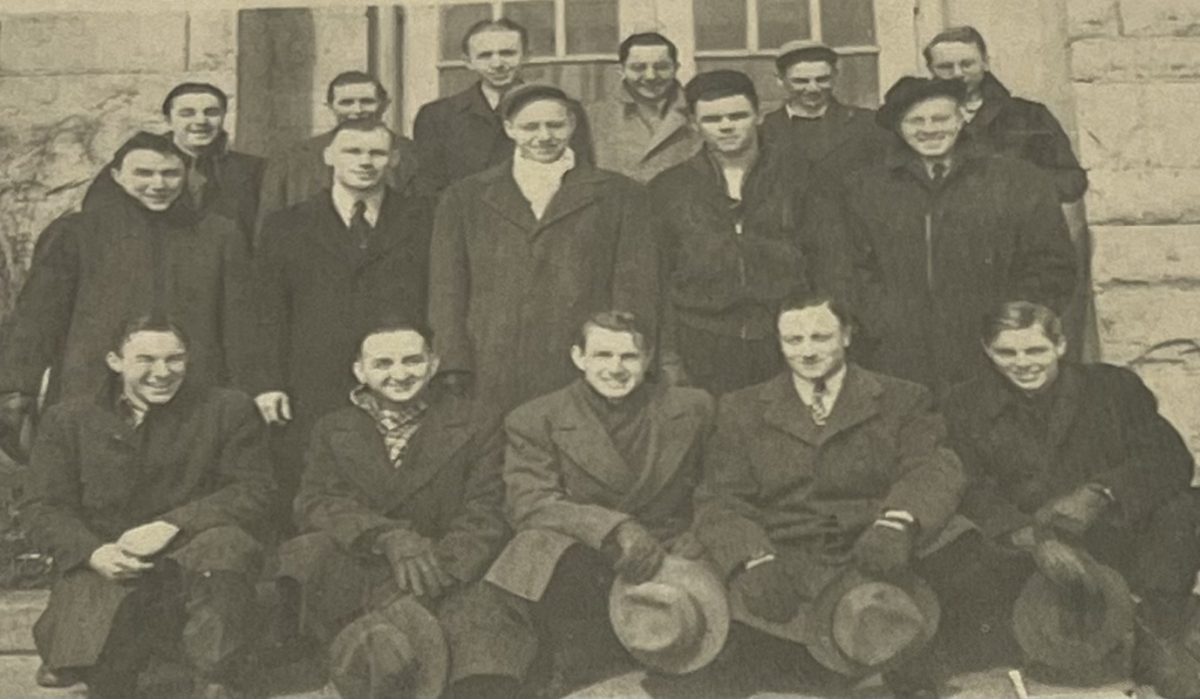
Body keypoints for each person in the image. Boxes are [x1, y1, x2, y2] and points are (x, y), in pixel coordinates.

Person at [691, 292, 966, 698]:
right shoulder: (741, 408)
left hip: (873, 545)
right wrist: (752, 558)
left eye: (820, 337)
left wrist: (899, 521)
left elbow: (934, 467)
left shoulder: (902, 397)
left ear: (847, 336)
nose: (806, 352)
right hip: (787, 550)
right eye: (793, 340)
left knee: (956, 543)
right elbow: (719, 498)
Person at [939, 301, 1200, 690]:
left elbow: (1168, 458)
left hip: (1112, 533)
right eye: (1007, 352)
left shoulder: (1113, 388)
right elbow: (971, 486)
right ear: (988, 350)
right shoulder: (964, 404)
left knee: (1182, 506)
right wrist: (1029, 538)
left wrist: (1101, 493)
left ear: (1060, 346)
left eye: (1036, 350)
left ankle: (1158, 637)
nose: (1023, 363)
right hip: (1028, 548)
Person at [21, 315, 276, 698]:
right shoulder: (69, 420)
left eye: (175, 359)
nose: (162, 372)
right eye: (145, 359)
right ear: (115, 361)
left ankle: (216, 677)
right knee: (110, 672)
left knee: (228, 548)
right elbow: (41, 507)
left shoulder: (227, 409)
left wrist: (173, 524)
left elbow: (255, 489)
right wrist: (93, 553)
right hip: (110, 565)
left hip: (193, 565)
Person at [276, 322, 525, 699]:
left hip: (448, 568)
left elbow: (487, 508)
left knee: (479, 658)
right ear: (360, 371)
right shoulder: (333, 428)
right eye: (383, 363)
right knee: (361, 644)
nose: (399, 374)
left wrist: (440, 567)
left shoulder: (477, 422)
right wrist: (387, 537)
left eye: (412, 360)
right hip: (364, 562)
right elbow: (316, 502)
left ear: (433, 363)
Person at [484, 310, 714, 693]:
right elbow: (530, 501)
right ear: (579, 357)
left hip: (670, 550)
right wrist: (615, 527)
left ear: (648, 359)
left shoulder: (693, 408)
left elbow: (718, 483)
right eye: (603, 356)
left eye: (628, 357)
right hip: (591, 557)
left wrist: (702, 531)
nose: (616, 369)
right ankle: (572, 659)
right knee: (534, 546)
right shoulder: (536, 418)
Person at [0, 132, 257, 432]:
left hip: (188, 390)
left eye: (170, 173)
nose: (158, 184)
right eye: (143, 173)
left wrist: (250, 390)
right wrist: (16, 388)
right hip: (91, 387)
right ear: (117, 176)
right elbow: (38, 317)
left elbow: (241, 323)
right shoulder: (76, 233)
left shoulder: (219, 235)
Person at [428, 84, 657, 414]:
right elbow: (447, 289)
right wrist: (453, 363)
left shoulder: (620, 195)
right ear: (509, 129)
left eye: (555, 125)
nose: (544, 136)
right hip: (491, 366)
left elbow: (635, 287)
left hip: (582, 364)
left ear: (572, 125)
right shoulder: (465, 197)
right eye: (530, 127)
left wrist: (625, 360)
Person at [842, 77, 1076, 395]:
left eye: (940, 118)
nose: (929, 129)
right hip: (901, 358)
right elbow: (848, 268)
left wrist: (1011, 328)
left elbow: (1051, 265)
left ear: (962, 117)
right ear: (898, 126)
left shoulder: (1017, 182)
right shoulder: (865, 189)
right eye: (916, 121)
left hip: (991, 355)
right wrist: (885, 324)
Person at [253, 118, 433, 500]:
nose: (365, 161)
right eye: (353, 151)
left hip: (399, 374)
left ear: (395, 159)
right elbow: (267, 310)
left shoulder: (425, 218)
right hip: (314, 376)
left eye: (377, 152)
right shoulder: (286, 224)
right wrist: (268, 382)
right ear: (329, 155)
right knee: (316, 482)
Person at [650, 70, 843, 395]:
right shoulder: (670, 187)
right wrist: (669, 353)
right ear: (694, 125)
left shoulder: (802, 176)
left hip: (786, 335)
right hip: (702, 338)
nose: (726, 126)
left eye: (737, 115)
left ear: (757, 116)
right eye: (712, 119)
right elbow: (657, 273)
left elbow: (832, 258)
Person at [412, 18, 594, 196]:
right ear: (468, 61)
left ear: (527, 55)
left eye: (508, 53)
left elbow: (582, 178)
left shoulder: (564, 110)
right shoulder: (437, 116)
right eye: (485, 55)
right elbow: (429, 189)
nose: (497, 64)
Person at [82, 82, 264, 247]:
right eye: (187, 113)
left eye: (211, 113)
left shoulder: (250, 170)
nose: (201, 121)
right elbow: (99, 223)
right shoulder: (133, 165)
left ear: (223, 117)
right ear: (168, 120)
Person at [924, 26, 1087, 204]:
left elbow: (1072, 181)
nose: (957, 74)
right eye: (945, 67)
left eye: (967, 64)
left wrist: (1016, 188)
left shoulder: (1029, 116)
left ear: (985, 62)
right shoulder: (914, 123)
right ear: (931, 69)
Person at [255, 71, 418, 245]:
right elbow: (268, 227)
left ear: (384, 105)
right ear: (330, 106)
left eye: (367, 102)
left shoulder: (411, 154)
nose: (357, 110)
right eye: (346, 103)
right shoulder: (292, 158)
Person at [759, 40, 891, 179]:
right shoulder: (765, 130)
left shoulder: (867, 124)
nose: (813, 88)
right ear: (780, 80)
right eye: (801, 81)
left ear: (835, 76)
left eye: (822, 79)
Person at [586, 32, 699, 183]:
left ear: (676, 68)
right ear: (621, 69)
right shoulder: (593, 117)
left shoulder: (697, 113)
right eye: (638, 67)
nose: (650, 76)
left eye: (661, 67)